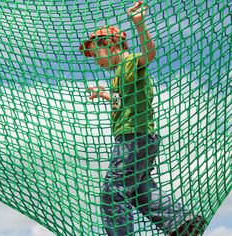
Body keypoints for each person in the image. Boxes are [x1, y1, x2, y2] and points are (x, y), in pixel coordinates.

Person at [79, 2, 205, 235]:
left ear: (110, 45)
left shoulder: (128, 63)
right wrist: (105, 95)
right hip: (142, 140)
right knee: (138, 192)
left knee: (113, 192)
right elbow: (123, 102)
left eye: (96, 54)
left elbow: (149, 54)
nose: (96, 60)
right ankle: (182, 223)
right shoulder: (119, 75)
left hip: (132, 140)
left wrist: (139, 24)